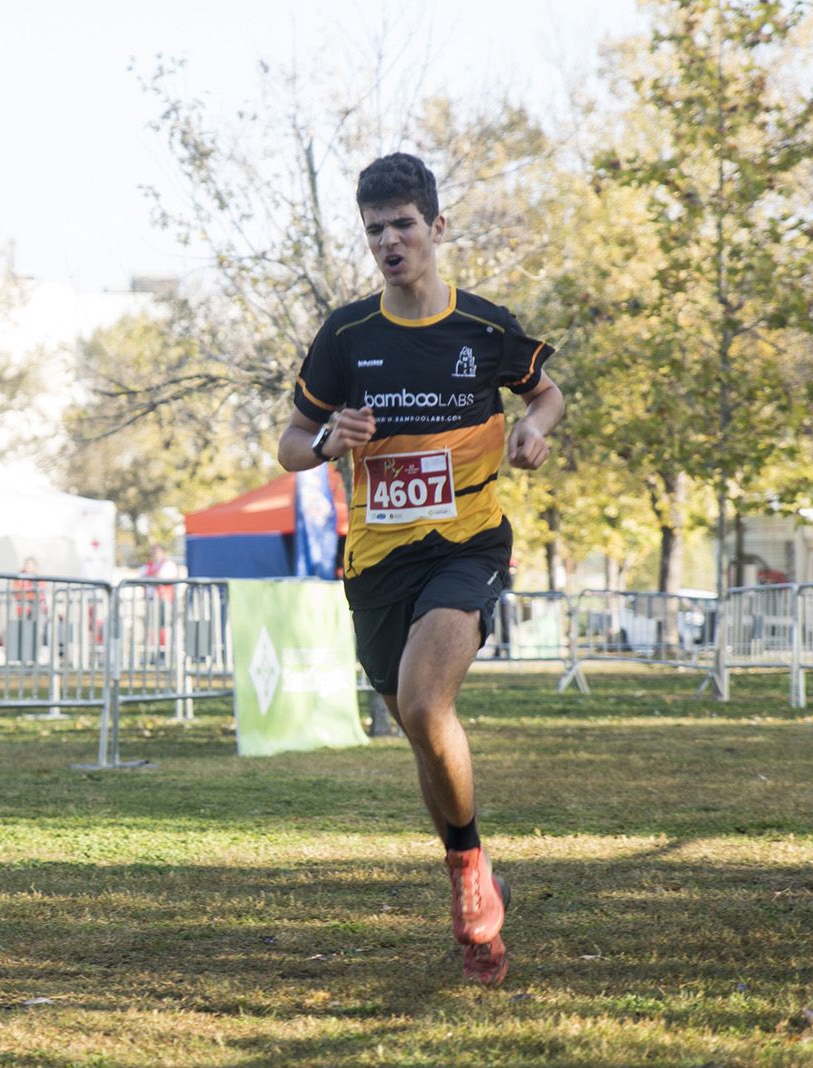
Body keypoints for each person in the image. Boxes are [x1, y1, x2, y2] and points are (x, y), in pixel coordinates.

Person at [276, 153, 564, 986]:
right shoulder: (347, 337)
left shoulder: (483, 327)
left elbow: (545, 393)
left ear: (435, 227)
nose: (390, 242)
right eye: (375, 230)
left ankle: (470, 884)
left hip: (467, 543)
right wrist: (329, 441)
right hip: (375, 563)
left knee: (425, 700)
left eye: (403, 224)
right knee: (415, 722)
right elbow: (290, 443)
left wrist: (534, 428)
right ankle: (475, 866)